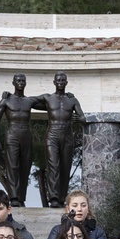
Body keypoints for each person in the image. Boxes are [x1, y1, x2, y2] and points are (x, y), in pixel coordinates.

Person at [36, 71, 85, 207]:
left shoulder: (72, 100)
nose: (61, 82)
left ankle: (62, 198)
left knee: (65, 167)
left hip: (67, 135)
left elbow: (83, 118)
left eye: (63, 80)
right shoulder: (48, 98)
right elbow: (27, 101)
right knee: (53, 166)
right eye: (58, 80)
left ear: (66, 83)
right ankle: (53, 198)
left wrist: (78, 118)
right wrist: (10, 96)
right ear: (54, 82)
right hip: (52, 134)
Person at [0, 73, 39, 207]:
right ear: (13, 83)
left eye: (23, 80)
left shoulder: (29, 101)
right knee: (12, 166)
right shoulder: (6, 100)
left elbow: (49, 102)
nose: (20, 83)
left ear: (25, 83)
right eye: (18, 80)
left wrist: (65, 96)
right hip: (12, 134)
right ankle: (13, 198)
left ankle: (21, 198)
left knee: (25, 167)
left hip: (26, 134)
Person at [45, 190, 110, 239]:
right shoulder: (57, 230)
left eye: (83, 205)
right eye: (75, 205)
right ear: (67, 209)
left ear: (88, 209)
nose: (79, 209)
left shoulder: (97, 232)